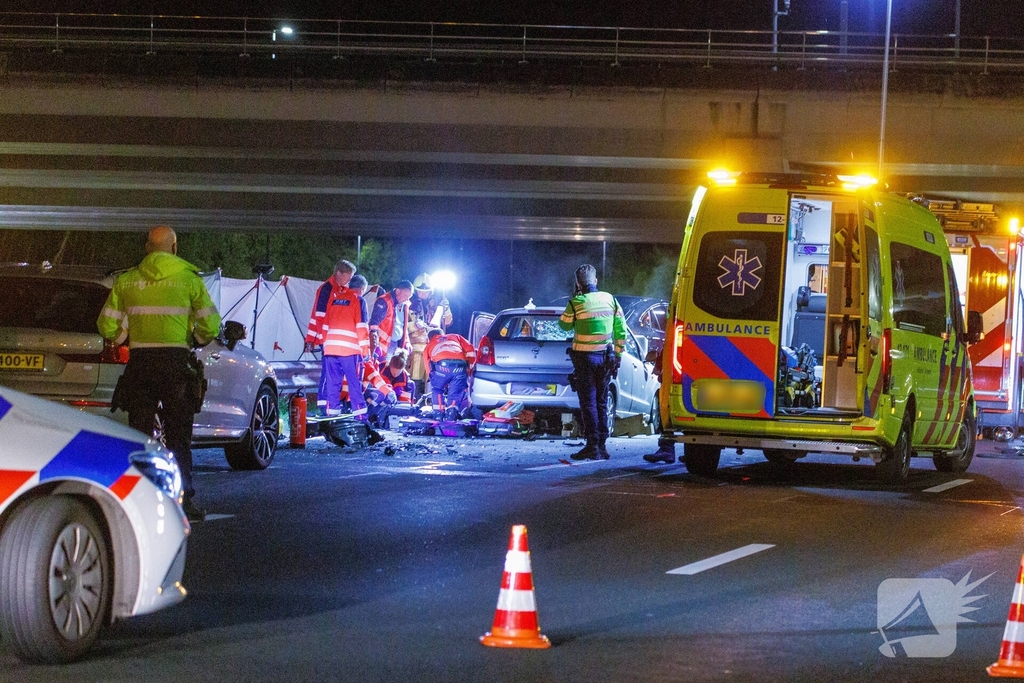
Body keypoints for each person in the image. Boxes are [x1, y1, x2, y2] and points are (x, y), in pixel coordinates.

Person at [97, 225, 221, 522]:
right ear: (174, 247)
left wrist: (124, 336)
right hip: (176, 364)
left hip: (140, 364)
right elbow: (210, 325)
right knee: (179, 434)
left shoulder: (127, 281)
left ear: (147, 248)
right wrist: (196, 339)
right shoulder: (188, 281)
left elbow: (107, 325)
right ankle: (184, 500)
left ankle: (139, 500)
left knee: (140, 435)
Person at [557, 264, 626, 461]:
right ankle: (602, 446)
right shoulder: (610, 299)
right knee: (602, 402)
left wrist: (574, 299)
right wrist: (618, 354)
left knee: (588, 403)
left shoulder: (576, 302)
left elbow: (563, 325)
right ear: (595, 281)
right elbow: (621, 329)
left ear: (578, 283)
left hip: (584, 360)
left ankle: (592, 445)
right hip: (606, 359)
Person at [304, 259, 370, 419]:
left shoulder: (335, 297)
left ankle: (331, 415)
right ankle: (361, 418)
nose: (348, 280)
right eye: (348, 276)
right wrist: (365, 350)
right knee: (354, 383)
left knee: (332, 384)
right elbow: (361, 328)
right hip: (349, 350)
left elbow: (324, 322)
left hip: (331, 349)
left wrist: (323, 342)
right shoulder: (352, 298)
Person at [408, 273, 452, 392]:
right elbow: (402, 327)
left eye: (426, 292)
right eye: (420, 292)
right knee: (415, 378)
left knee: (432, 379)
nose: (423, 294)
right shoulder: (409, 304)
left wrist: (444, 309)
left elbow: (447, 322)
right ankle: (414, 399)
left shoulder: (438, 303)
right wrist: (414, 325)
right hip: (416, 350)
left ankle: (430, 402)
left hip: (433, 349)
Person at [423, 327, 476, 419]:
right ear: (443, 334)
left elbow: (428, 365)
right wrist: (469, 368)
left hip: (441, 368)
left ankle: (438, 414)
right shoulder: (455, 337)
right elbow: (471, 349)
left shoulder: (430, 344)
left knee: (437, 389)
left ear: (429, 338)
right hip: (460, 367)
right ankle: (452, 413)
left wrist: (434, 379)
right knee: (456, 391)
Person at [369, 280, 413, 363]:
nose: (406, 299)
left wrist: (407, 341)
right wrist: (375, 344)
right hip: (383, 345)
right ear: (397, 291)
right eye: (405, 296)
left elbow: (403, 326)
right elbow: (374, 323)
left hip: (396, 345)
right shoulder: (384, 301)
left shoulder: (404, 305)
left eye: (409, 297)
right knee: (384, 369)